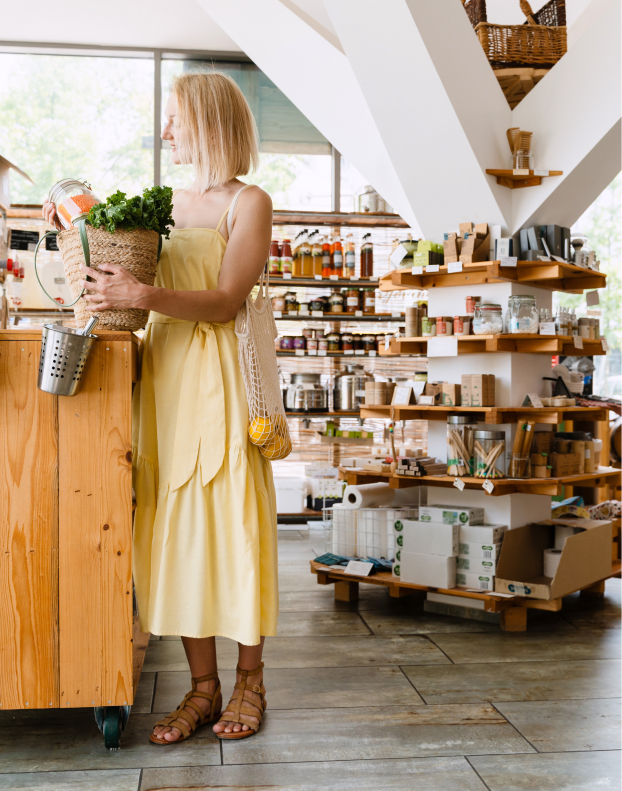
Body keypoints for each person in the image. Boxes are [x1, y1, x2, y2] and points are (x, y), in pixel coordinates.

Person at [43, 72, 278, 743]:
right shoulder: (164, 203)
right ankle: (203, 687)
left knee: (232, 520)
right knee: (176, 528)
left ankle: (250, 680)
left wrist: (143, 296)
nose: (166, 131)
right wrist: (75, 232)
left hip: (223, 378)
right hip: (166, 376)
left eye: (175, 118)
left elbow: (227, 300)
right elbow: (118, 266)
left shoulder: (250, 202)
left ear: (208, 122)